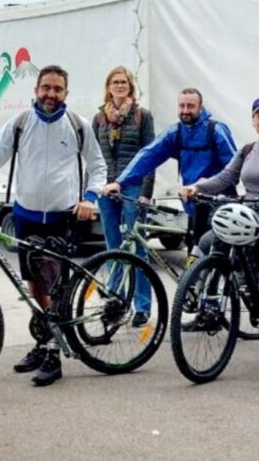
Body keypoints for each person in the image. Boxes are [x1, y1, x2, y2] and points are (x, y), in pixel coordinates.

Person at [0, 65, 106, 387]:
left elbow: (97, 165)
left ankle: (54, 354)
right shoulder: (20, 123)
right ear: (36, 90)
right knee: (33, 284)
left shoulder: (77, 126)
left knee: (54, 286)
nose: (50, 95)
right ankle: (43, 344)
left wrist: (90, 198)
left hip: (62, 216)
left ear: (66, 93)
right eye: (45, 88)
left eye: (57, 89)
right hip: (26, 214)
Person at [179, 96, 259, 377]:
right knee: (206, 242)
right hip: (248, 216)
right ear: (253, 120)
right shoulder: (249, 150)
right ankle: (223, 286)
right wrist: (196, 186)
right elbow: (225, 178)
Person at [103, 88, 237, 256]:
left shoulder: (216, 130)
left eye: (191, 106)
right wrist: (120, 182)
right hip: (194, 204)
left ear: (201, 107)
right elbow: (148, 155)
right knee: (196, 259)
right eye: (182, 106)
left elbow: (234, 169)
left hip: (219, 204)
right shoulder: (176, 133)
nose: (185, 111)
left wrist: (207, 184)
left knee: (218, 257)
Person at [92, 67, 156, 326]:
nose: (119, 86)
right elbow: (94, 156)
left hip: (132, 186)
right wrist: (95, 185)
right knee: (113, 245)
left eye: (124, 82)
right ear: (108, 87)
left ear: (130, 87)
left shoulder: (142, 116)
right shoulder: (99, 118)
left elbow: (151, 155)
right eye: (115, 82)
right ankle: (116, 300)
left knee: (137, 247)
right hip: (107, 188)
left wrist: (146, 193)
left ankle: (142, 306)